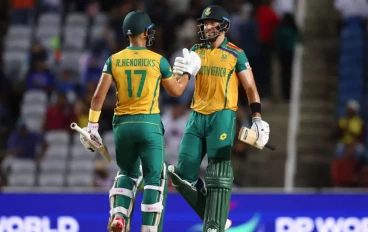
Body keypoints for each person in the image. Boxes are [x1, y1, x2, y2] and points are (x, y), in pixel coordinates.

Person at [78, 10, 200, 232]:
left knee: (127, 173)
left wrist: (93, 127)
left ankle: (119, 216)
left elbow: (97, 97)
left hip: (122, 126)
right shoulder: (158, 60)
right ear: (145, 33)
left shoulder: (113, 60)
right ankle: (148, 228)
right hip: (149, 124)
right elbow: (176, 91)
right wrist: (187, 73)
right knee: (155, 177)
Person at [167, 5, 270, 232]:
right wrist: (176, 74)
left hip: (222, 115)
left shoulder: (236, 53)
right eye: (205, 23)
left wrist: (257, 118)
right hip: (196, 116)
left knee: (218, 170)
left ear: (224, 25)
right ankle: (216, 220)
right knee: (181, 176)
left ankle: (214, 226)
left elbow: (250, 86)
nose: (208, 27)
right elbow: (178, 89)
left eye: (213, 22)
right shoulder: (195, 50)